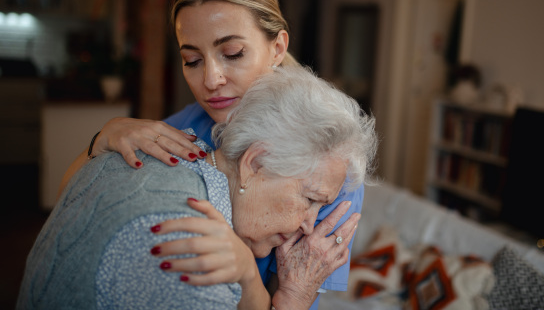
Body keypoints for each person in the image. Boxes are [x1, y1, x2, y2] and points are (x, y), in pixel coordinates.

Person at [57, 0, 366, 308]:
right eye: (192, 59)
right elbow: (71, 201)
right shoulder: (187, 125)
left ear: (278, 48)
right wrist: (103, 139)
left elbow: (292, 300)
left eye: (232, 54)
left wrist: (248, 272)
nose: (211, 79)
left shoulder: (327, 167)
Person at [18, 66, 377, 309]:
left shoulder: (153, 151)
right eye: (310, 199)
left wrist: (251, 277)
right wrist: (294, 298)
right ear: (254, 164)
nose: (309, 225)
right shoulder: (194, 249)